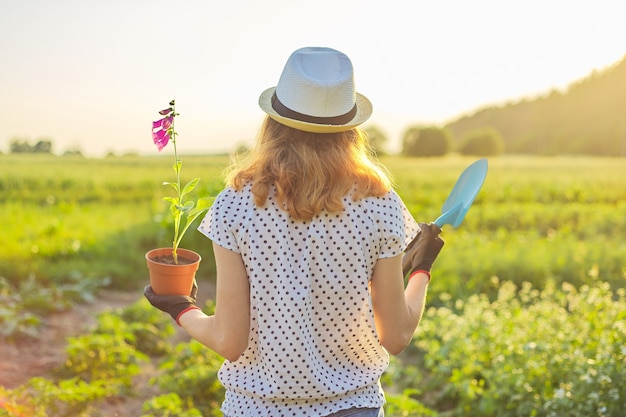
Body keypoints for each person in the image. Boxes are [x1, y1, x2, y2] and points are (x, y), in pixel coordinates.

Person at [145, 46, 444, 417]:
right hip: (354, 407)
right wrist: (421, 270)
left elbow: (229, 341)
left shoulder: (236, 203)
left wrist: (181, 308)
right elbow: (396, 336)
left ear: (273, 121)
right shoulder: (380, 202)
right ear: (350, 129)